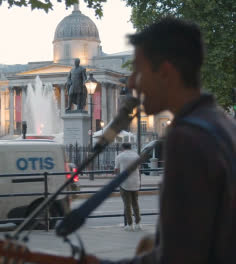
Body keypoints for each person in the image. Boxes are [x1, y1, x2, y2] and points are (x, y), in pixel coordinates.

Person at [83, 17, 236, 264]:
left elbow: (177, 258)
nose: (131, 82)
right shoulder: (222, 124)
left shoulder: (187, 139)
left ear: (165, 72)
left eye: (139, 71)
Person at [115, 143, 141, 231]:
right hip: (135, 182)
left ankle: (130, 225)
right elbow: (139, 167)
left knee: (127, 205)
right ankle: (138, 223)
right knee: (135, 203)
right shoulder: (136, 155)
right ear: (131, 147)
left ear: (123, 148)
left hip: (125, 183)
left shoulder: (120, 156)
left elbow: (116, 170)